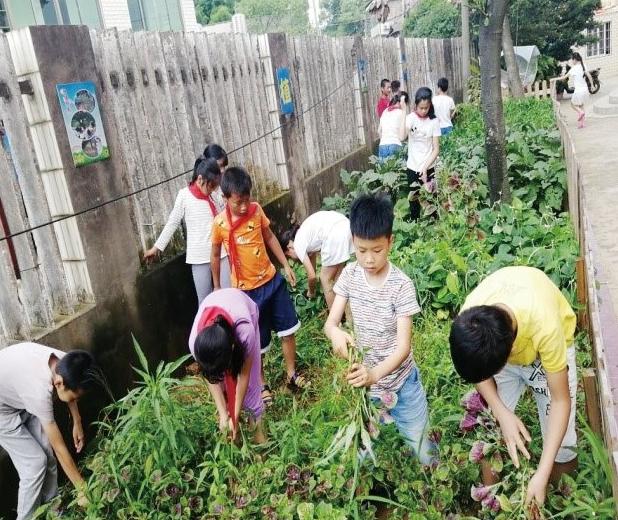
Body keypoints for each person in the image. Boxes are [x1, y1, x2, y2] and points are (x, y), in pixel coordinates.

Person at [449, 266, 578, 506]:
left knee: (563, 443)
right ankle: (491, 503)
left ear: (507, 356)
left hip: (546, 349)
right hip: (504, 344)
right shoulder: (470, 321)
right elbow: (479, 374)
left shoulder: (546, 327)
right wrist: (500, 410)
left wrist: (541, 472)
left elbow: (561, 400)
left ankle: (564, 502)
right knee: (493, 430)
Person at [324, 194, 437, 465]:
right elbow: (330, 323)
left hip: (402, 384)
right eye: (362, 250)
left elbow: (403, 347)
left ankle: (436, 486)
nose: (369, 259)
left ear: (390, 242)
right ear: (353, 243)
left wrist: (374, 374)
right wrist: (336, 333)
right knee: (361, 452)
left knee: (423, 449)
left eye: (377, 250)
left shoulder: (401, 286)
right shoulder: (350, 276)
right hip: (368, 389)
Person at [210, 167, 308, 405]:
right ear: (225, 198)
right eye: (238, 202)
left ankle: (291, 374)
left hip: (272, 283)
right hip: (247, 294)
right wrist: (216, 287)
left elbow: (270, 237)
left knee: (288, 329)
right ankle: (262, 385)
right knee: (256, 343)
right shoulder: (220, 224)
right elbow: (214, 255)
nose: (244, 207)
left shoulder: (256, 211)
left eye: (247, 200)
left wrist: (285, 264)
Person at [0, 344, 100, 519]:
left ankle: (54, 510)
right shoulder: (38, 392)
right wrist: (83, 490)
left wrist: (77, 421)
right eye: (75, 397)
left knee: (48, 457)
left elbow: (70, 388)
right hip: (3, 411)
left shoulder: (65, 361)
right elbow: (60, 449)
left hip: (17, 394)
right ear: (58, 383)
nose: (75, 400)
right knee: (34, 465)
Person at [143, 156, 231, 304]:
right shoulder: (184, 195)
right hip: (199, 257)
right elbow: (172, 222)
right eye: (210, 186)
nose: (212, 190)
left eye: (215, 187)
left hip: (221, 253)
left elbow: (225, 216)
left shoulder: (215, 195)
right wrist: (156, 248)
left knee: (228, 295)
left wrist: (225, 202)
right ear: (200, 179)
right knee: (205, 302)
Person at [188, 288, 266, 443]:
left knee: (252, 390)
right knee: (224, 395)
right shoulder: (196, 344)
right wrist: (224, 414)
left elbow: (244, 376)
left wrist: (235, 415)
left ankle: (261, 446)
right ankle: (235, 438)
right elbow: (211, 377)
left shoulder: (245, 332)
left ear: (231, 349)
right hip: (216, 306)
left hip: (243, 309)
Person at [279, 211, 354, 310]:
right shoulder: (304, 236)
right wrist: (312, 285)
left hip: (334, 235)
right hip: (346, 226)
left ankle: (336, 319)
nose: (293, 258)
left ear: (289, 248)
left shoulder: (298, 244)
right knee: (338, 278)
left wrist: (311, 292)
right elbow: (312, 268)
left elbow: (312, 276)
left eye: (289, 256)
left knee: (325, 279)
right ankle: (347, 311)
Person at [399, 87, 441, 221]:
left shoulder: (434, 121)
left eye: (426, 108)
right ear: (416, 105)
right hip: (412, 167)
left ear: (430, 106)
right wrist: (404, 111)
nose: (423, 111)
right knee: (414, 202)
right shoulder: (411, 118)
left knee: (432, 200)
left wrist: (425, 167)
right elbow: (401, 137)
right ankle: (416, 226)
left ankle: (435, 228)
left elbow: (436, 149)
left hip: (428, 168)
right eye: (420, 108)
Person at [554, 52, 593, 129]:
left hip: (578, 90)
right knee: (581, 105)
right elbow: (589, 76)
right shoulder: (583, 66)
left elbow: (564, 78)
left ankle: (580, 112)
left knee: (573, 105)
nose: (572, 62)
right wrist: (592, 85)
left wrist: (554, 79)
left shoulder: (574, 68)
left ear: (575, 59)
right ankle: (582, 124)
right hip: (585, 89)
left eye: (572, 60)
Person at [378, 93, 407, 161]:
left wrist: (385, 140)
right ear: (402, 103)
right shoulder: (401, 112)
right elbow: (402, 137)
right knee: (399, 171)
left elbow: (379, 131)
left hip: (382, 145)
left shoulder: (385, 111)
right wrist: (404, 110)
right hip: (395, 145)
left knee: (384, 171)